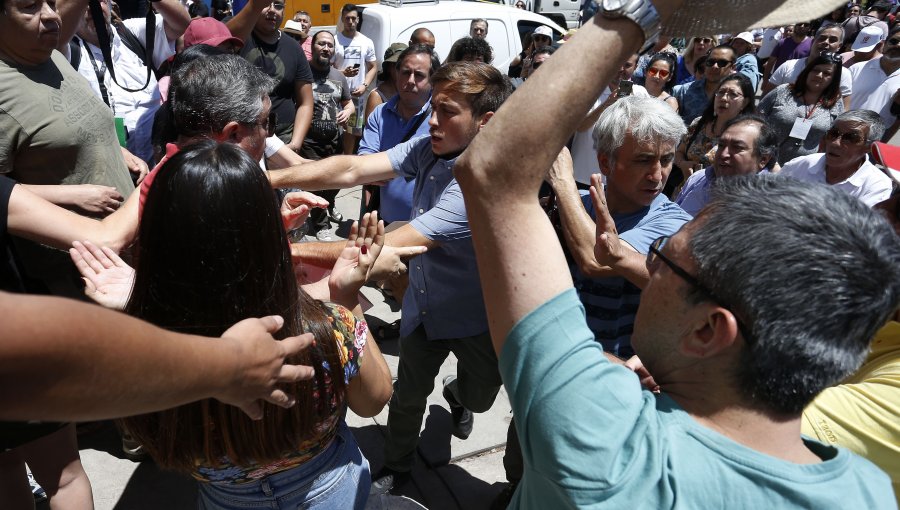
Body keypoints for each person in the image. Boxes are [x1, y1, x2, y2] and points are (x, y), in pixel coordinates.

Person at [453, 3, 900, 507]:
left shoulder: (600, 439)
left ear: (711, 329)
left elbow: (493, 170)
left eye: (664, 259)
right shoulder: (864, 491)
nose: (648, 268)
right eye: (643, 159)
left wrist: (647, 11)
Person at [266, 62, 514, 496]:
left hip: (475, 321)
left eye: (448, 111)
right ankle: (398, 466)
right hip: (423, 306)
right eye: (433, 108)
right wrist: (268, 177)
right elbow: (351, 170)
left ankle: (456, 395)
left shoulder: (481, 184)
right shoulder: (431, 148)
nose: (433, 121)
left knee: (480, 397)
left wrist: (279, 251)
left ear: (486, 122)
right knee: (406, 398)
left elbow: (387, 246)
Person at [112, 141, 392, 509]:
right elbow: (374, 400)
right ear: (270, 235)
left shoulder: (142, 356)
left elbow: (143, 431)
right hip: (329, 490)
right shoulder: (328, 328)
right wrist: (347, 297)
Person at [0, 0, 134, 299]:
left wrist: (119, 151)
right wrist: (71, 195)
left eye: (49, 2)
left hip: (126, 245)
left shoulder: (55, 58)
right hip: (81, 275)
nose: (50, 15)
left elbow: (73, 127)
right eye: (29, 7)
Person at [65, 0, 190, 162]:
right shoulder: (67, 49)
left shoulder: (129, 33)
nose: (92, 9)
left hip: (156, 165)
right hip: (109, 168)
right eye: (84, 4)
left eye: (101, 1)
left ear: (111, 5)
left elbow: (181, 24)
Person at [360, 44, 439, 225]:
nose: (410, 80)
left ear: (432, 80)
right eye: (405, 72)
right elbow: (365, 161)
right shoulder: (380, 114)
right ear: (396, 74)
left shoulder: (441, 118)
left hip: (428, 229)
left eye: (419, 75)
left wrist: (379, 168)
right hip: (386, 222)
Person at [227, 0, 314, 153]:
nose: (272, 10)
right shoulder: (240, 37)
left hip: (283, 136)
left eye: (278, 5)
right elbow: (222, 40)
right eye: (266, 3)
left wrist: (295, 143)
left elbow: (305, 103)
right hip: (240, 136)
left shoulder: (294, 49)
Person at [302, 31, 355, 241]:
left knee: (335, 182)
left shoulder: (338, 76)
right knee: (317, 183)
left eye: (330, 45)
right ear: (312, 46)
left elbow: (348, 102)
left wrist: (349, 111)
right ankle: (320, 223)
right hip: (310, 142)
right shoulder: (302, 73)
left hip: (335, 141)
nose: (326, 48)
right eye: (322, 44)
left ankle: (329, 204)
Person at [780, 110, 893, 206]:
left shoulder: (877, 186)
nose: (835, 143)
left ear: (869, 147)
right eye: (833, 133)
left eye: (851, 138)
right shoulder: (802, 164)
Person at [571, 53, 650, 185]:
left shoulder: (640, 93)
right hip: (582, 175)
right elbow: (580, 127)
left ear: (635, 67)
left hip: (618, 180)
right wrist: (607, 104)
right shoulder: (590, 90)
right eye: (618, 63)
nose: (621, 69)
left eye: (627, 65)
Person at [675, 115, 779, 215]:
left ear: (763, 160)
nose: (724, 154)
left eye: (737, 147)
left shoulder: (771, 204)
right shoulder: (697, 179)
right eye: (721, 145)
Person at [758, 53, 845, 165]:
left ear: (834, 79)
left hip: (802, 168)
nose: (819, 75)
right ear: (808, 71)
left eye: (827, 73)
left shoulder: (835, 102)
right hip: (765, 161)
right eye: (815, 70)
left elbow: (834, 136)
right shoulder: (782, 91)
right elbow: (756, 119)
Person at [674, 74, 755, 179]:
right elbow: (679, 152)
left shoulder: (748, 135)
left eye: (733, 94)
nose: (724, 98)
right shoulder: (699, 123)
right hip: (687, 189)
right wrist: (683, 164)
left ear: (745, 102)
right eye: (721, 92)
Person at [765, 25, 852, 108]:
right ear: (813, 41)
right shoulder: (787, 66)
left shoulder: (843, 74)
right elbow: (766, 100)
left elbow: (843, 109)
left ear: (839, 46)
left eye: (832, 40)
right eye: (822, 38)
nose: (826, 42)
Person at [334, 3, 377, 154]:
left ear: (358, 20)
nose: (350, 22)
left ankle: (347, 158)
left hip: (356, 95)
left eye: (353, 18)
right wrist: (342, 72)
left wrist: (365, 85)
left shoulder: (366, 41)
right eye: (347, 18)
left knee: (351, 131)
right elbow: (327, 68)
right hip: (337, 94)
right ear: (343, 19)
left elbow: (373, 67)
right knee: (334, 127)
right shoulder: (335, 40)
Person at [848, 25, 900, 135]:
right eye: (894, 41)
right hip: (842, 132)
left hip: (873, 142)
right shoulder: (857, 69)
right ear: (884, 44)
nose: (898, 45)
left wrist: (881, 144)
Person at [673, 44, 737, 124]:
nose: (715, 66)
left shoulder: (737, 97)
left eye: (722, 63)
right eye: (710, 62)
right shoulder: (682, 91)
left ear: (733, 68)